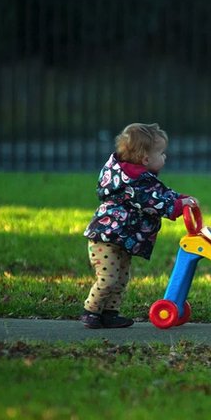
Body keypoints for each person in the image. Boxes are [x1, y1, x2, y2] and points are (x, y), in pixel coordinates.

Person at [81, 123, 198, 328]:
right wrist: (177, 206)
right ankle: (90, 311)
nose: (165, 157)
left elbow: (159, 193)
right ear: (146, 159)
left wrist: (180, 199)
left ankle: (109, 313)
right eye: (161, 153)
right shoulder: (132, 182)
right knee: (108, 279)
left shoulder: (141, 178)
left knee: (121, 279)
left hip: (121, 239)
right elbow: (151, 200)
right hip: (106, 239)